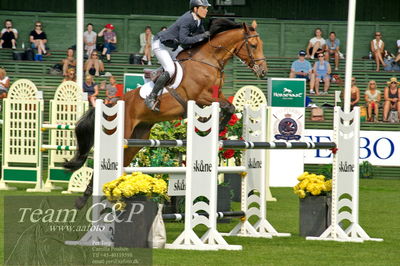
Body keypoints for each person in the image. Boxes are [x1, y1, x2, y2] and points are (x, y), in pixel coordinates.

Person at [145, 0, 212, 111]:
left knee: (187, 61)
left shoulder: (199, 21)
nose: (206, 10)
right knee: (171, 69)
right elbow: (184, 39)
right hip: (161, 44)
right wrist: (202, 36)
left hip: (173, 46)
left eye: (206, 8)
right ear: (195, 9)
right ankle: (151, 97)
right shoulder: (187, 19)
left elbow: (200, 38)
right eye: (203, 8)